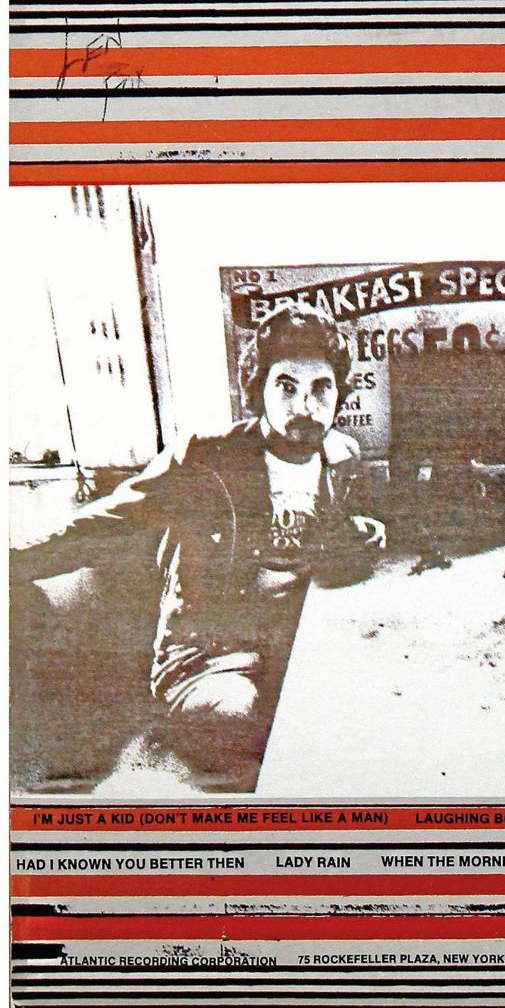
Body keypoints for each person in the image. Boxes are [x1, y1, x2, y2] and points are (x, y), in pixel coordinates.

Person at [12, 303, 385, 789]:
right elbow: (106, 522)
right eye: (286, 387)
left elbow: (325, 538)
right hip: (205, 655)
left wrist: (361, 533)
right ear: (259, 390)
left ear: (338, 394)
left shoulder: (340, 456)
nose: (305, 406)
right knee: (241, 726)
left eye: (321, 389)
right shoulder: (206, 459)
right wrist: (15, 561)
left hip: (295, 641)